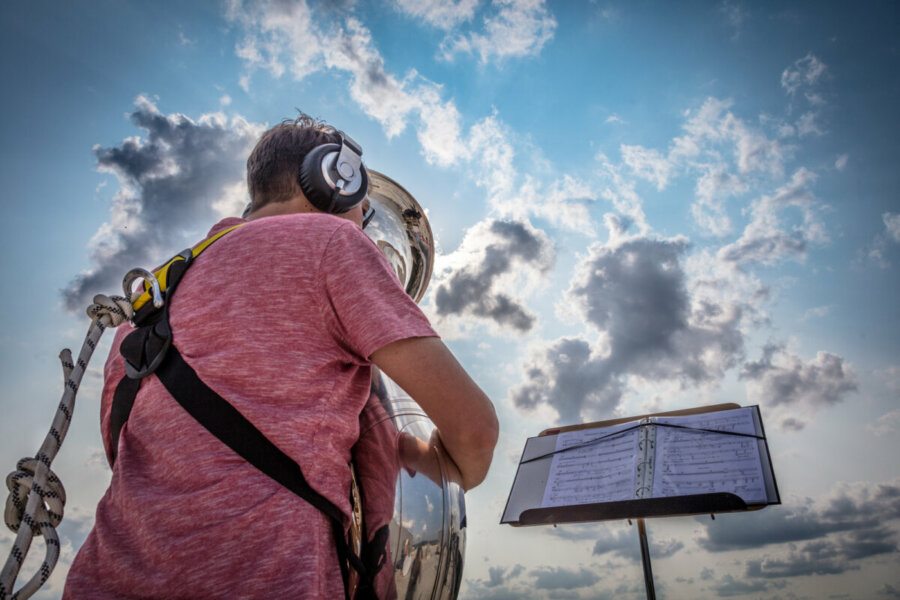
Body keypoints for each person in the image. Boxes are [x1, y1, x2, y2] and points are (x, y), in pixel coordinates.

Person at [63, 114, 499, 599]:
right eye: (366, 210)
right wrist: (451, 470)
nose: (365, 224)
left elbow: (136, 457)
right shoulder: (332, 243)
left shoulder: (146, 302)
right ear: (338, 181)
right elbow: (475, 430)